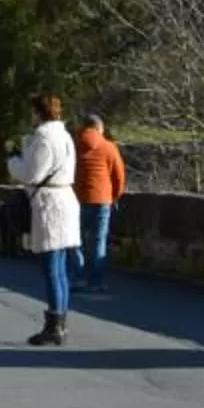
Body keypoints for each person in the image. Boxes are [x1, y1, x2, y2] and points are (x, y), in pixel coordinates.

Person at [4, 91, 81, 347]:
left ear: (38, 112)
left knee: (51, 269)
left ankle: (54, 326)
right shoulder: (65, 136)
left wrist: (13, 160)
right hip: (65, 199)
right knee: (59, 269)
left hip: (51, 204)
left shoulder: (45, 139)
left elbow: (31, 174)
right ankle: (60, 321)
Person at [73, 111, 126, 296]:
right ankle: (95, 281)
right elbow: (119, 176)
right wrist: (115, 197)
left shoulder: (73, 145)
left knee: (75, 241)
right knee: (98, 241)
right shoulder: (108, 147)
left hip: (77, 199)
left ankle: (78, 278)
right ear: (98, 128)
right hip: (102, 199)